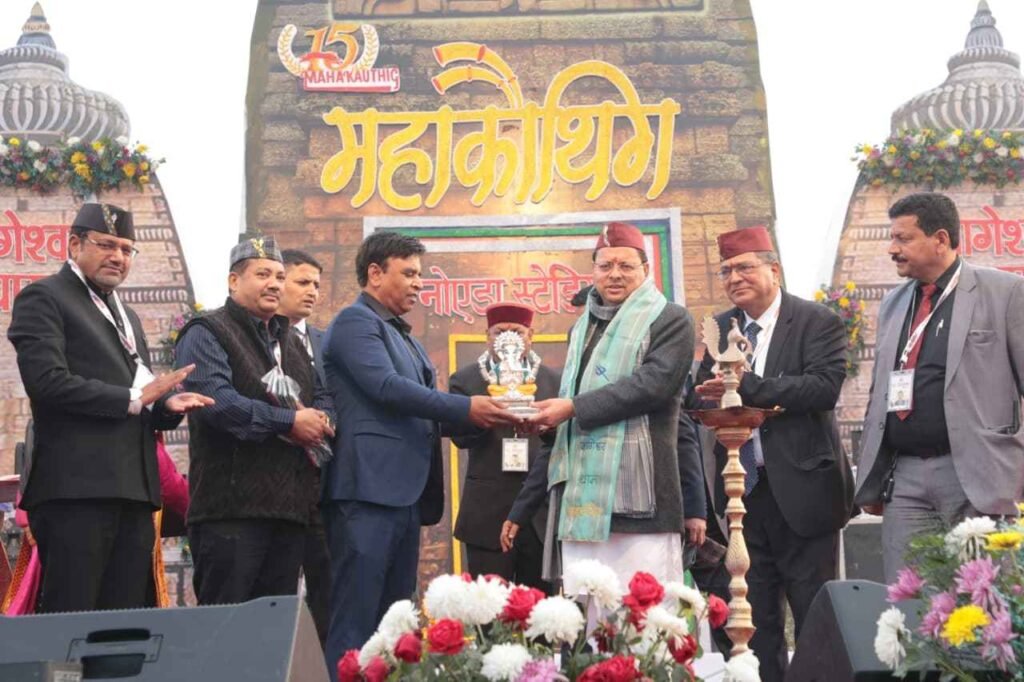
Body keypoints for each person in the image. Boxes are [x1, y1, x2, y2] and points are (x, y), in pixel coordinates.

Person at [321, 231, 519, 665]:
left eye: (420, 275)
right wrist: (468, 407)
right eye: (408, 273)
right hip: (366, 492)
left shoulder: (405, 338)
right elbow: (387, 388)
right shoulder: (356, 322)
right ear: (375, 273)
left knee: (396, 621)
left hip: (404, 497)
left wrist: (500, 417)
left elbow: (424, 414)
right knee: (357, 620)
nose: (418, 283)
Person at [6, 202, 212, 613]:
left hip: (134, 494)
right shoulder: (44, 298)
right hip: (75, 492)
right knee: (71, 621)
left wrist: (165, 405)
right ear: (75, 244)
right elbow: (48, 383)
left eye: (126, 249)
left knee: (124, 624)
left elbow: (138, 392)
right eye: (106, 245)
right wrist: (135, 398)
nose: (118, 256)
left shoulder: (126, 314)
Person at [693, 225, 853, 682]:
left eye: (744, 267)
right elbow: (704, 394)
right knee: (753, 622)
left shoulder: (815, 321)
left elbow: (823, 388)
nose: (734, 278)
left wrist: (750, 387)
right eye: (726, 271)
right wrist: (705, 395)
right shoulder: (721, 328)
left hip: (805, 494)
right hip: (742, 496)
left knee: (816, 619)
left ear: (774, 270)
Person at [855, 192, 1024, 581]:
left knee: (985, 596)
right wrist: (872, 476)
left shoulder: (1005, 292)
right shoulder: (894, 303)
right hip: (905, 477)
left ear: (941, 239)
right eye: (892, 238)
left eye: (903, 238)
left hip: (978, 476)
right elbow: (880, 392)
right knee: (909, 596)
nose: (892, 249)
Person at [520, 221, 694, 594]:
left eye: (626, 266)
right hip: (581, 501)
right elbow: (574, 396)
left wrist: (572, 408)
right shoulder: (580, 329)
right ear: (594, 271)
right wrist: (550, 423)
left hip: (643, 495)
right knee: (588, 609)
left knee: (644, 609)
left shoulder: (671, 319)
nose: (615, 274)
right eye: (605, 265)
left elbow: (654, 385)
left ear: (645, 270)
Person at [175, 236, 335, 606]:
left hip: (289, 513)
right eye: (263, 274)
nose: (275, 284)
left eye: (280, 276)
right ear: (234, 281)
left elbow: (322, 393)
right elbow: (216, 403)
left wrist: (323, 419)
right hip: (230, 514)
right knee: (226, 628)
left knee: (273, 632)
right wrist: (289, 422)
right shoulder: (207, 330)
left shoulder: (291, 342)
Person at [449, 303, 558, 593]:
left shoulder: (554, 381)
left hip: (539, 516)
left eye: (517, 332)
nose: (509, 338)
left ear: (531, 335)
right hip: (487, 515)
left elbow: (563, 440)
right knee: (489, 609)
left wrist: (545, 426)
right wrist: (484, 417)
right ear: (487, 336)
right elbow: (459, 437)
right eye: (500, 332)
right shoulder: (466, 380)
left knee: (541, 611)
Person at [278, 248, 332, 646]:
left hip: (322, 488)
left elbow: (335, 395)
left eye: (316, 284)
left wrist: (326, 420)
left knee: (328, 595)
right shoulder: (254, 336)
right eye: (302, 282)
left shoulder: (326, 341)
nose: (312, 291)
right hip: (271, 486)